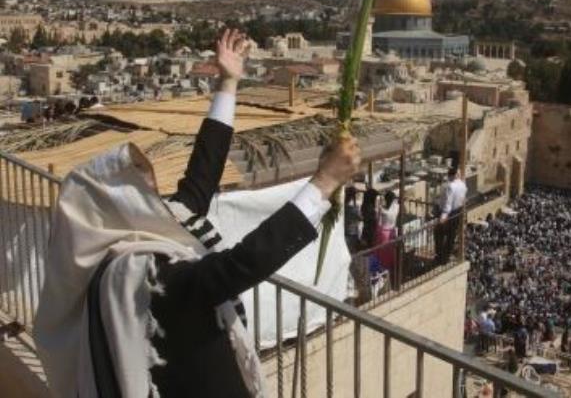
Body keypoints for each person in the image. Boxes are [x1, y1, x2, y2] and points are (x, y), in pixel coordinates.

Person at [33, 29, 362, 398]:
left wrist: (228, 83)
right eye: (139, 182)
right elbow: (240, 264)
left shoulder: (129, 246)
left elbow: (200, 178)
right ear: (112, 205)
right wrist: (324, 182)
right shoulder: (140, 274)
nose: (153, 186)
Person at [434, 166, 467, 265]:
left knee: (438, 233)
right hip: (458, 212)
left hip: (449, 213)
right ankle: (446, 257)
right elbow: (463, 198)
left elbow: (448, 204)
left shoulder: (450, 186)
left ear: (450, 176)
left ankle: (440, 257)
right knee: (451, 237)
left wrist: (443, 217)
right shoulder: (462, 184)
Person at [344, 186, 362, 251]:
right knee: (352, 251)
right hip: (352, 232)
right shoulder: (354, 208)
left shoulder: (343, 206)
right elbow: (360, 218)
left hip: (344, 231)